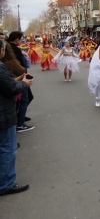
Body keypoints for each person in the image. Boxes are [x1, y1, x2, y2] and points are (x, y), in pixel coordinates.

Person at [0, 38, 33, 196]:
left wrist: (18, 79)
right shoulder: (1, 67)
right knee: (7, 149)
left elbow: (6, 83)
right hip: (3, 115)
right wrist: (24, 84)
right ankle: (6, 183)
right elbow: (11, 88)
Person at [7, 31, 34, 133]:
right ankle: (20, 123)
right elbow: (18, 65)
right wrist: (24, 74)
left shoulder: (10, 48)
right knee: (24, 99)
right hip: (19, 77)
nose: (21, 40)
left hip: (18, 76)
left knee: (26, 98)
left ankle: (20, 117)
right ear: (16, 39)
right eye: (20, 39)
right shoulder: (14, 50)